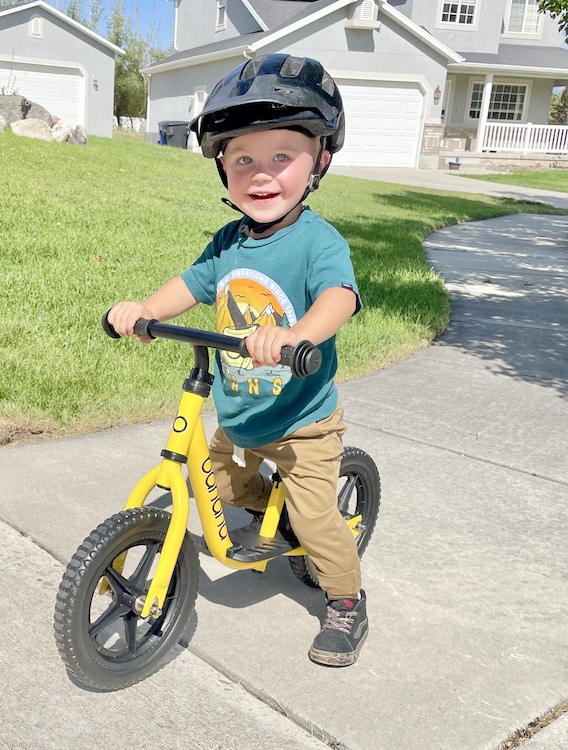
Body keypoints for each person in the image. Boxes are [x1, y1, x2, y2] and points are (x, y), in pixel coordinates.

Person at [106, 53, 366, 667]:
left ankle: (347, 603)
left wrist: (297, 333)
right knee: (213, 482)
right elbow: (194, 282)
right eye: (243, 158)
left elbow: (340, 297)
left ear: (320, 160)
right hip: (242, 410)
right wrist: (143, 310)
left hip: (303, 418)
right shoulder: (230, 240)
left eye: (282, 157)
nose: (261, 174)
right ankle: (261, 497)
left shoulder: (317, 240)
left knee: (315, 518)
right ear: (221, 165)